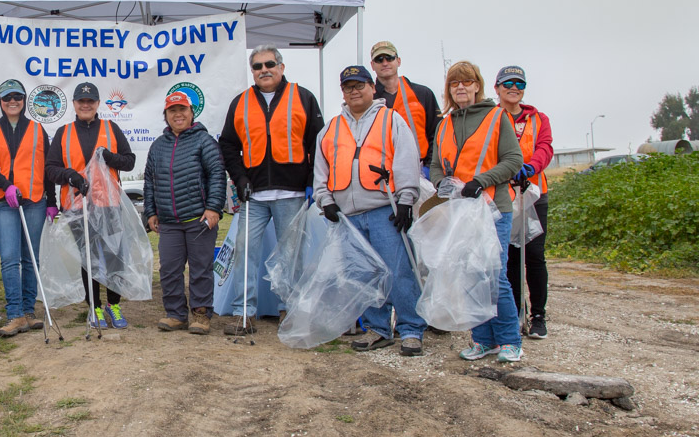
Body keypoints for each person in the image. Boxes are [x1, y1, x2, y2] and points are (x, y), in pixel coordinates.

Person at [313, 66, 426, 355]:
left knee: (399, 271)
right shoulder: (331, 127)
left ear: (371, 87)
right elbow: (321, 170)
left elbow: (406, 160)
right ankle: (377, 329)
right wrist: (325, 201)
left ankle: (411, 329)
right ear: (343, 92)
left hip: (384, 210)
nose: (354, 91)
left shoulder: (392, 120)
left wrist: (406, 200)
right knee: (363, 275)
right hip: (348, 216)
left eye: (359, 85)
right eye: (348, 87)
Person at [218, 45, 324, 334]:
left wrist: (313, 182)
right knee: (244, 252)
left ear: (281, 67)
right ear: (252, 71)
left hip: (292, 194)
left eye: (269, 64)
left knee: (292, 257)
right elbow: (227, 144)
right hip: (254, 195)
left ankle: (290, 312)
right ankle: (244, 314)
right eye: (257, 66)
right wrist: (239, 179)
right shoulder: (240, 103)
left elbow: (319, 143)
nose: (264, 70)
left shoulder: (303, 98)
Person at [429, 60, 524, 363]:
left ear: (477, 86)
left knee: (493, 274)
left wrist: (481, 181)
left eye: (467, 82)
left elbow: (513, 160)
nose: (461, 87)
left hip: (492, 208)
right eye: (455, 83)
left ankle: (510, 340)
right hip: (459, 210)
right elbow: (434, 165)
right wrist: (441, 182)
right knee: (469, 275)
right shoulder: (444, 124)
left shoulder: (497, 117)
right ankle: (483, 340)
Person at [45, 81, 137, 329]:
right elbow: (50, 169)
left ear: (97, 104)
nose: (86, 105)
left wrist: (109, 157)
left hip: (109, 205)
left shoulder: (111, 128)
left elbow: (129, 162)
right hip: (77, 208)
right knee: (89, 259)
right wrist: (69, 175)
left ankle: (113, 305)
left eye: (90, 101)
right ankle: (94, 307)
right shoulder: (63, 133)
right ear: (74, 104)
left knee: (114, 257)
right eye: (81, 101)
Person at [0, 79, 58, 338]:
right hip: (4, 202)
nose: (12, 101)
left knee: (30, 258)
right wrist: (6, 185)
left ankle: (28, 311)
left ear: (24, 100)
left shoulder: (37, 129)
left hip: (34, 201)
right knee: (10, 259)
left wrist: (52, 201)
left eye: (17, 97)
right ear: (0, 102)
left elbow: (47, 167)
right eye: (7, 97)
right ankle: (14, 314)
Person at [143, 92, 224, 334]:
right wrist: (151, 212)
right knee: (168, 269)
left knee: (200, 268)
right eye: (172, 111)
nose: (178, 114)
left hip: (199, 219)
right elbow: (149, 180)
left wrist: (213, 208)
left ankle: (201, 315)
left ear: (191, 113)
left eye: (182, 110)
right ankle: (176, 314)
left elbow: (217, 176)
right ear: (166, 115)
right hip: (168, 222)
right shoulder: (158, 145)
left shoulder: (204, 141)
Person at [494, 65, 554, 339]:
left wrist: (530, 167)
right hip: (503, 196)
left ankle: (538, 315)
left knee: (534, 256)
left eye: (519, 84)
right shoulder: (492, 118)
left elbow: (545, 147)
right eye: (508, 84)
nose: (514, 88)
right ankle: (517, 310)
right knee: (511, 257)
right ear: (497, 88)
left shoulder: (538, 118)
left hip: (533, 194)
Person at [369, 41, 441, 177]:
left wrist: (429, 167)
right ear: (372, 65)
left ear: (398, 61)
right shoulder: (368, 100)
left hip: (420, 171)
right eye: (379, 59)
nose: (385, 63)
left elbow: (437, 134)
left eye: (389, 58)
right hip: (381, 174)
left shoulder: (422, 94)